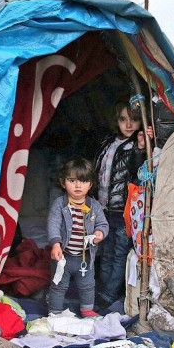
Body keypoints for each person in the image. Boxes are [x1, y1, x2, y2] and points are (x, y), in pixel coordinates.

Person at [95, 100, 151, 307]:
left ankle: (110, 293)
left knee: (119, 252)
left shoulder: (135, 146)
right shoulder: (109, 143)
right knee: (106, 250)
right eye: (123, 119)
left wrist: (141, 148)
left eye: (134, 120)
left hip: (124, 209)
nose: (128, 125)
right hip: (104, 208)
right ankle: (103, 289)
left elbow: (138, 170)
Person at [47, 157, 109, 318]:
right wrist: (55, 244)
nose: (77, 185)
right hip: (63, 256)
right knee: (58, 285)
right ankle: (54, 313)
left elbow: (103, 224)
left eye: (83, 181)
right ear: (63, 183)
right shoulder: (60, 204)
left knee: (88, 286)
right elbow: (53, 224)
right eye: (72, 180)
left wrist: (99, 233)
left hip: (85, 257)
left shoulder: (94, 206)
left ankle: (87, 309)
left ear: (90, 184)